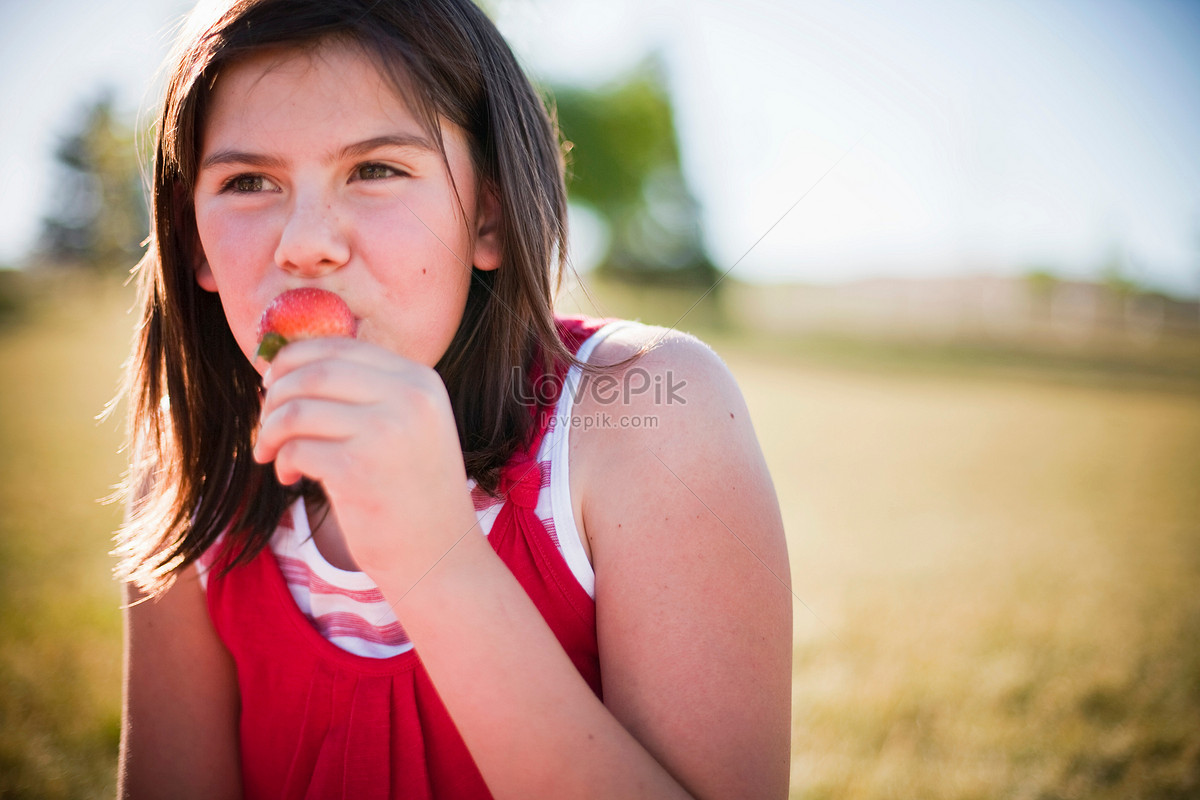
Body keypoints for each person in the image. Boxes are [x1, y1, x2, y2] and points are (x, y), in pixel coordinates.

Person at [115, 0, 792, 797]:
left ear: (488, 218)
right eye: (248, 181)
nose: (303, 243)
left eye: (375, 170)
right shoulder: (195, 486)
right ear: (194, 241)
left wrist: (431, 555)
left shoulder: (645, 417)